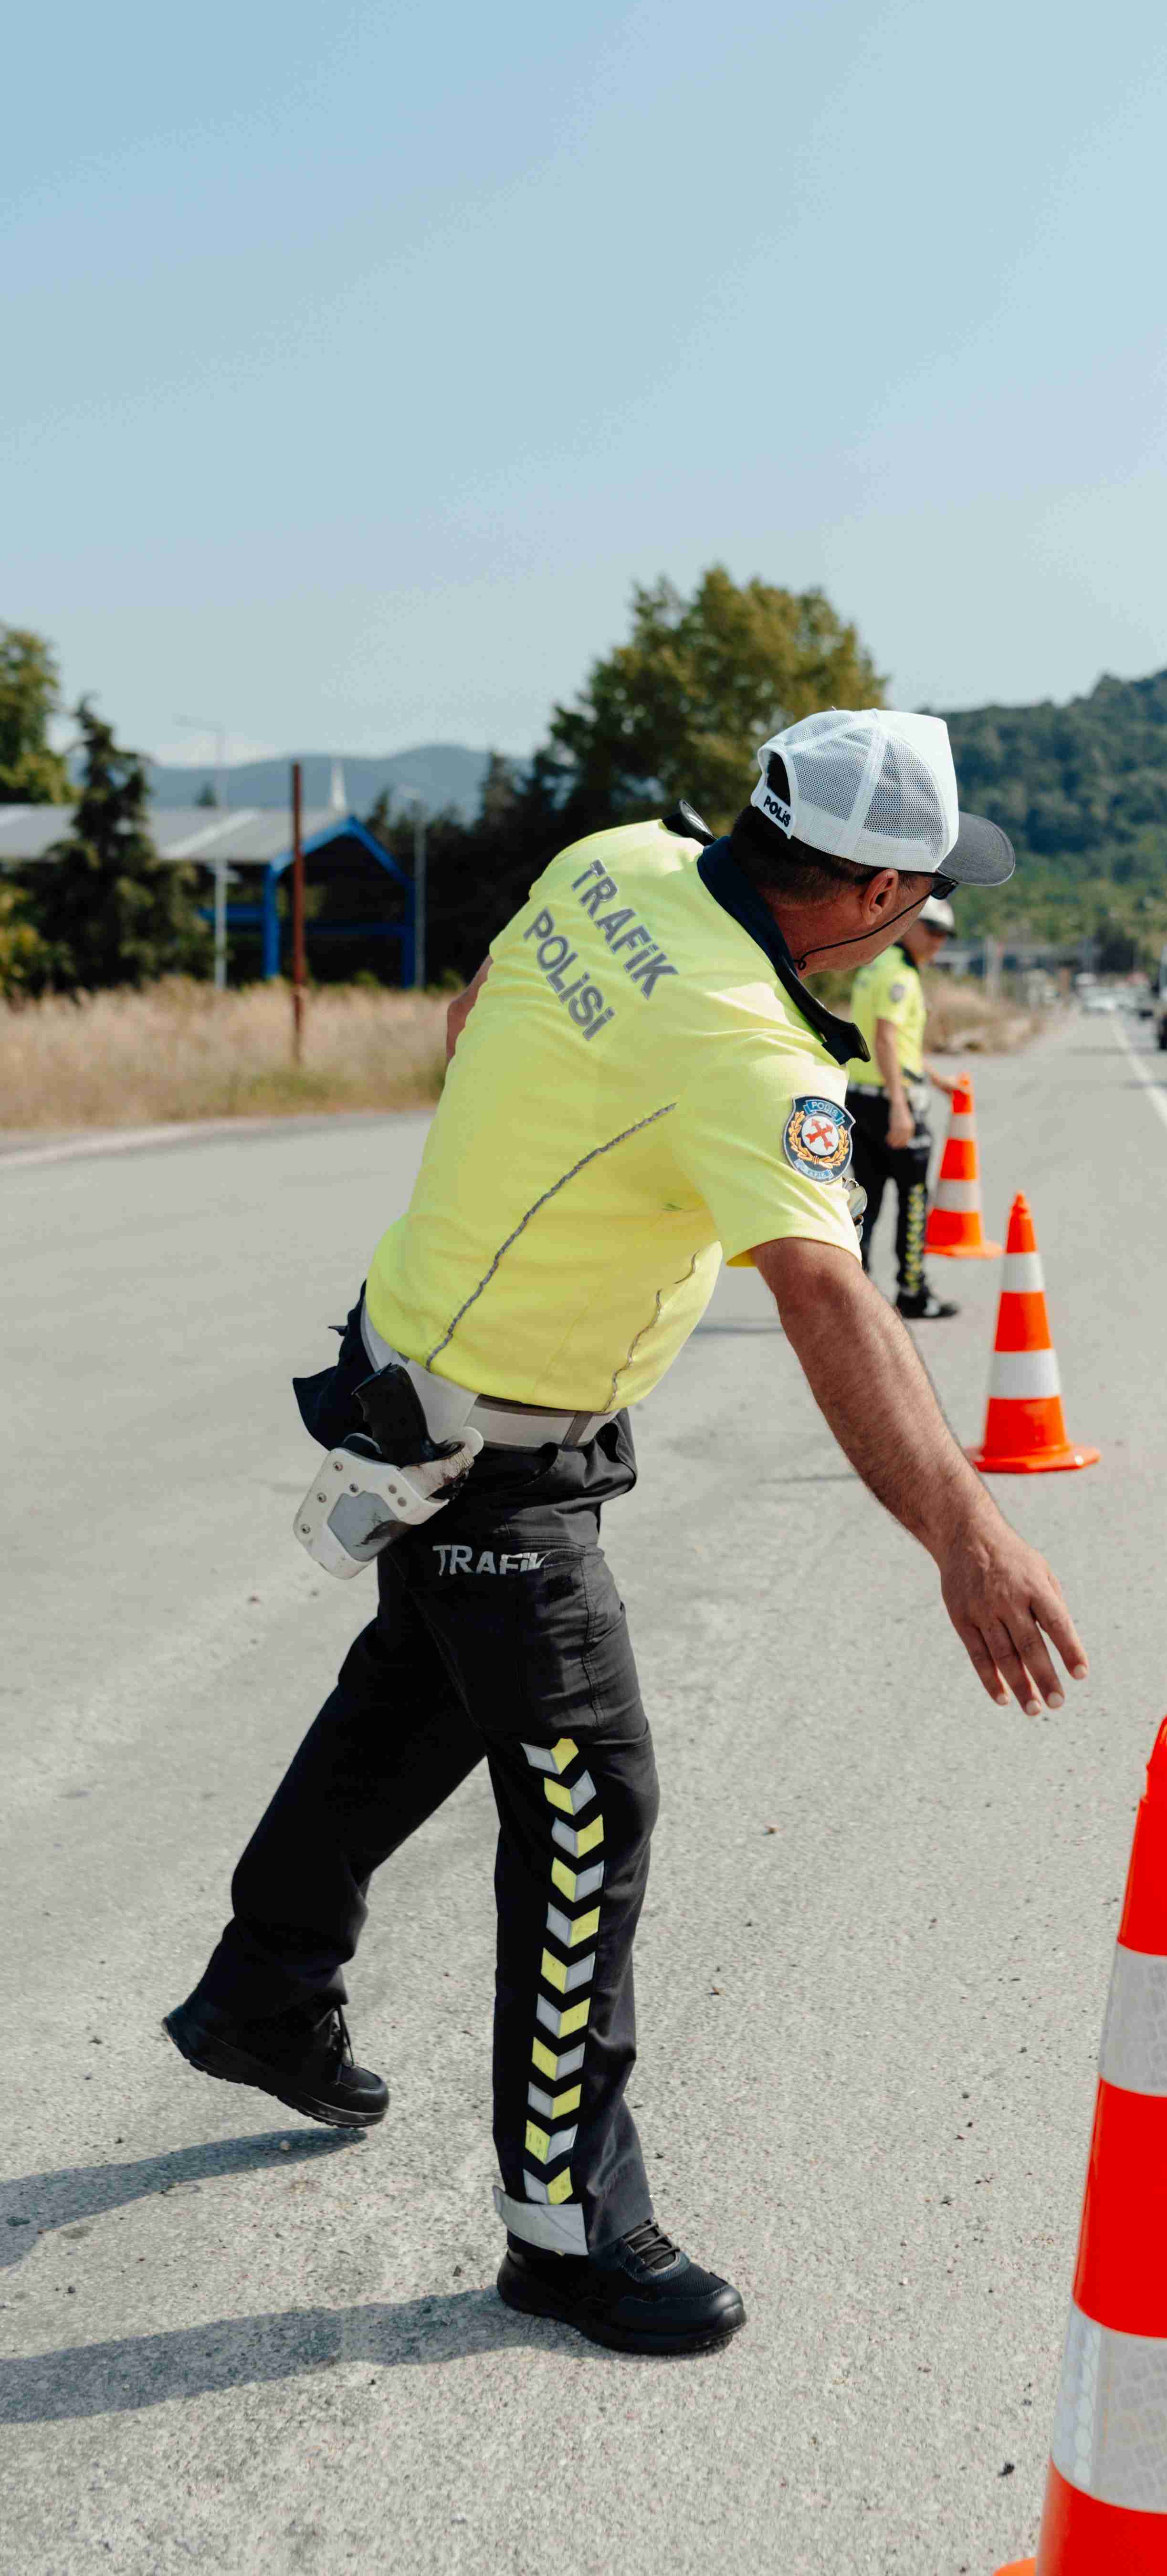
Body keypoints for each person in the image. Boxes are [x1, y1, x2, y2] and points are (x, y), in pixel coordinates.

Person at [162, 708, 1086, 2360]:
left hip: (413, 1369)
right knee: (595, 1793)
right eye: (925, 888)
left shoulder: (616, 864)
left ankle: (263, 1987)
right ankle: (566, 2223)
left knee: (417, 1695)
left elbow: (469, 1019)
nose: (922, 912)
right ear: (872, 888)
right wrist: (969, 1531)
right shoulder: (751, 1047)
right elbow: (831, 1294)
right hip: (493, 1443)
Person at [845, 890, 967, 1318]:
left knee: (868, 1203)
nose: (940, 942)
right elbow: (885, 1038)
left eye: (946, 935)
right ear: (911, 922)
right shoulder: (901, 976)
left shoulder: (879, 962)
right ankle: (912, 1293)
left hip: (862, 1100)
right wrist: (901, 1105)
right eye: (932, 930)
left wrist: (935, 1079)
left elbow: (901, 1046)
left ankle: (853, 1298)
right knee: (912, 1200)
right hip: (890, 1105)